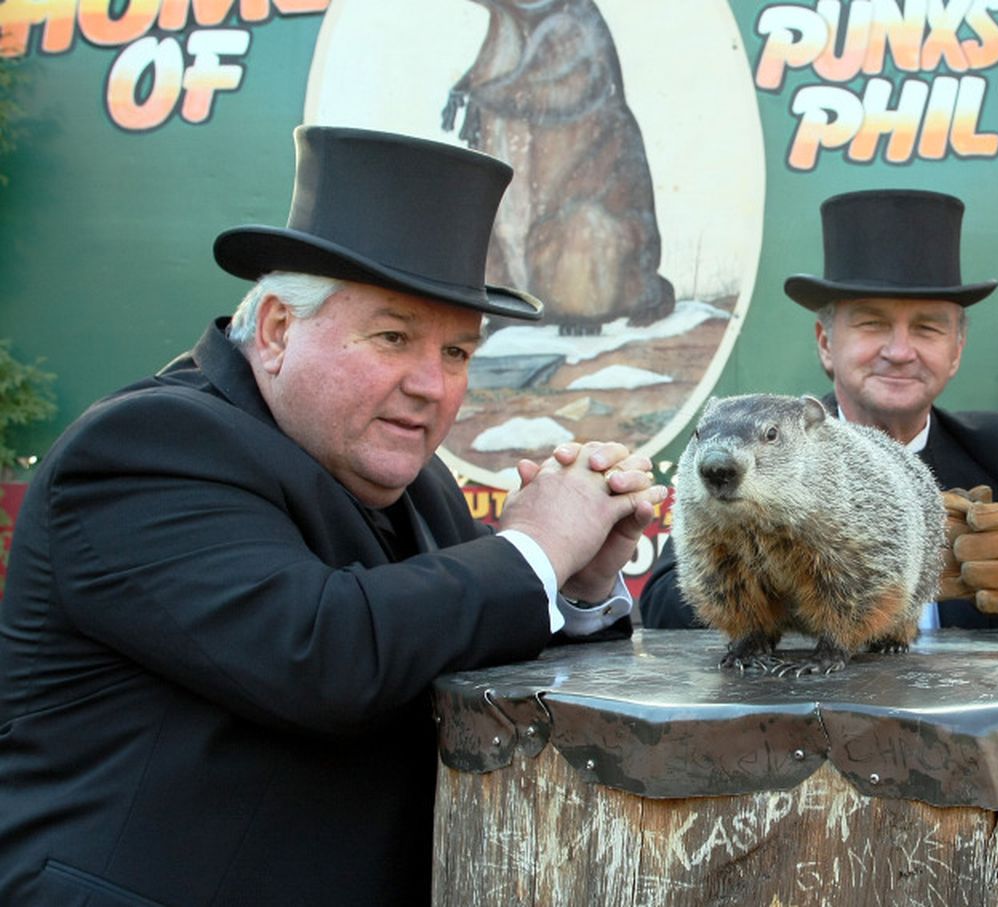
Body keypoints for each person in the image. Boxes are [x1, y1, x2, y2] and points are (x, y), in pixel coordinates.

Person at [0, 126, 667, 905]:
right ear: (279, 328)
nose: (433, 385)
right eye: (393, 337)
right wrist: (536, 545)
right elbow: (324, 653)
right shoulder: (144, 448)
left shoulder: (421, 487)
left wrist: (578, 583)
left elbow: (485, 672)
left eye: (457, 353)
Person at [642, 189, 998, 630]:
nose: (899, 351)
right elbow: (665, 606)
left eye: (927, 327)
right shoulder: (767, 443)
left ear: (957, 349)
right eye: (872, 323)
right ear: (826, 343)